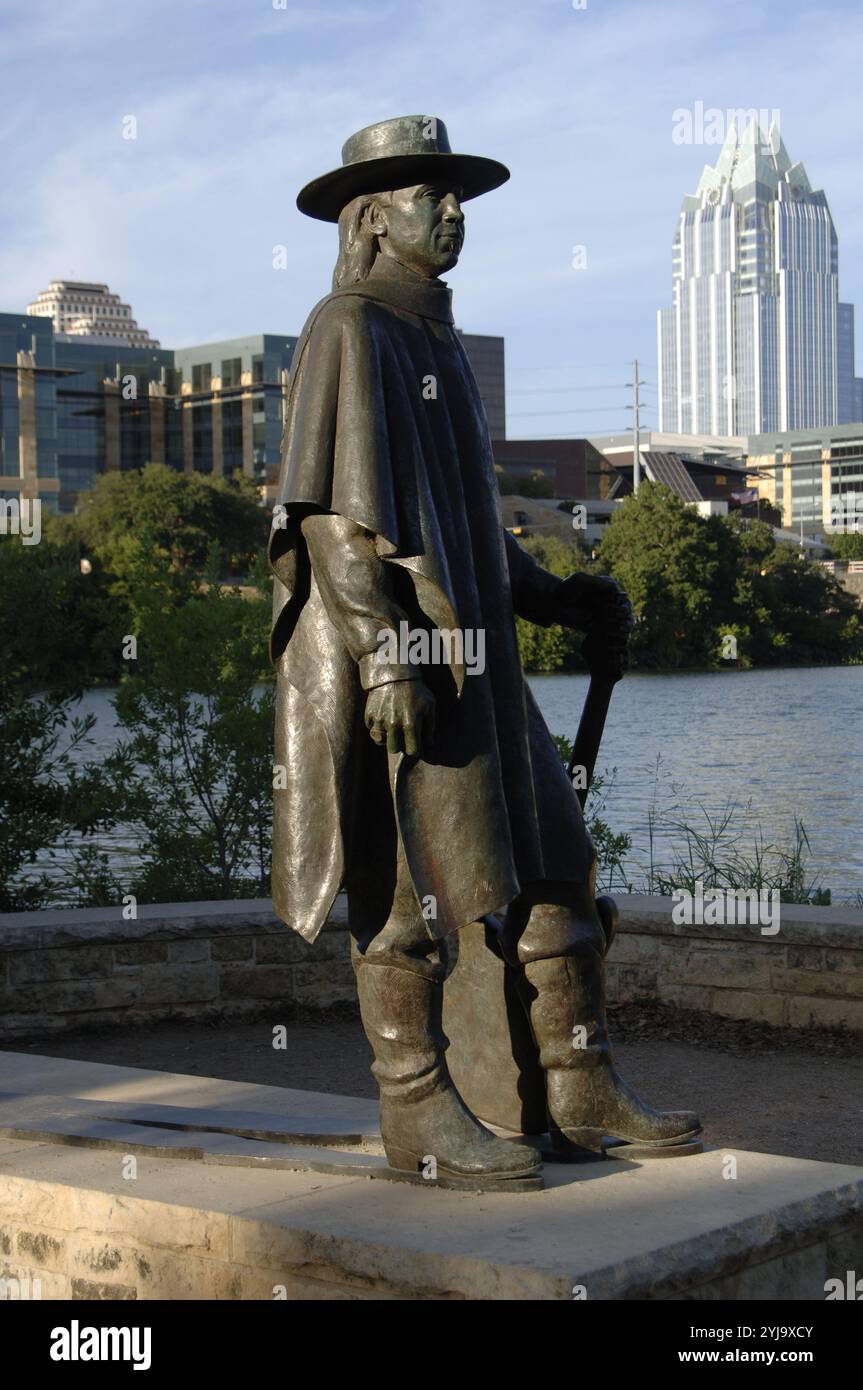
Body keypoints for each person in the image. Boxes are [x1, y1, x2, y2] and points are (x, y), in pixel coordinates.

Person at [269, 116, 700, 1185]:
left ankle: (575, 1078)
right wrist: (383, 655)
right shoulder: (347, 328)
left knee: (556, 867)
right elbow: (327, 519)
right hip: (408, 671)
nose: (454, 214)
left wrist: (557, 596)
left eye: (459, 198)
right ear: (373, 218)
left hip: (482, 674)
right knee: (419, 889)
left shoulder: (439, 348)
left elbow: (467, 531)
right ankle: (416, 1102)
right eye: (432, 197)